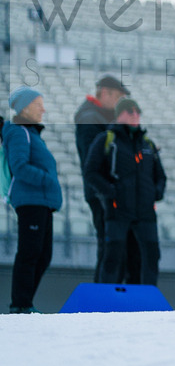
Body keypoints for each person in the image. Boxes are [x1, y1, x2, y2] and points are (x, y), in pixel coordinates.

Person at [84, 96, 166, 286]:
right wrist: (110, 192)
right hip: (117, 210)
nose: (136, 115)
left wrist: (157, 192)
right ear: (119, 114)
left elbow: (160, 176)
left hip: (145, 212)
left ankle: (147, 300)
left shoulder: (148, 144)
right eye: (131, 111)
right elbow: (90, 172)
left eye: (138, 112)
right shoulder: (107, 140)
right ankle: (106, 301)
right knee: (113, 255)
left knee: (151, 255)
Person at [74, 73, 141, 283]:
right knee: (110, 246)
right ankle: (103, 298)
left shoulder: (97, 117)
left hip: (107, 192)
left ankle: (109, 297)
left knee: (115, 246)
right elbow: (94, 164)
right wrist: (111, 191)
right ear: (105, 93)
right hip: (103, 193)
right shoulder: (91, 119)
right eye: (118, 97)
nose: (119, 103)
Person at [4, 87, 62, 313]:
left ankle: (24, 303)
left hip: (41, 202)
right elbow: (19, 166)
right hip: (31, 201)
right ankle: (20, 304)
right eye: (39, 105)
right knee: (30, 253)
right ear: (26, 107)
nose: (43, 109)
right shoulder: (19, 131)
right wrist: (47, 180)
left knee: (42, 255)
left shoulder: (31, 133)